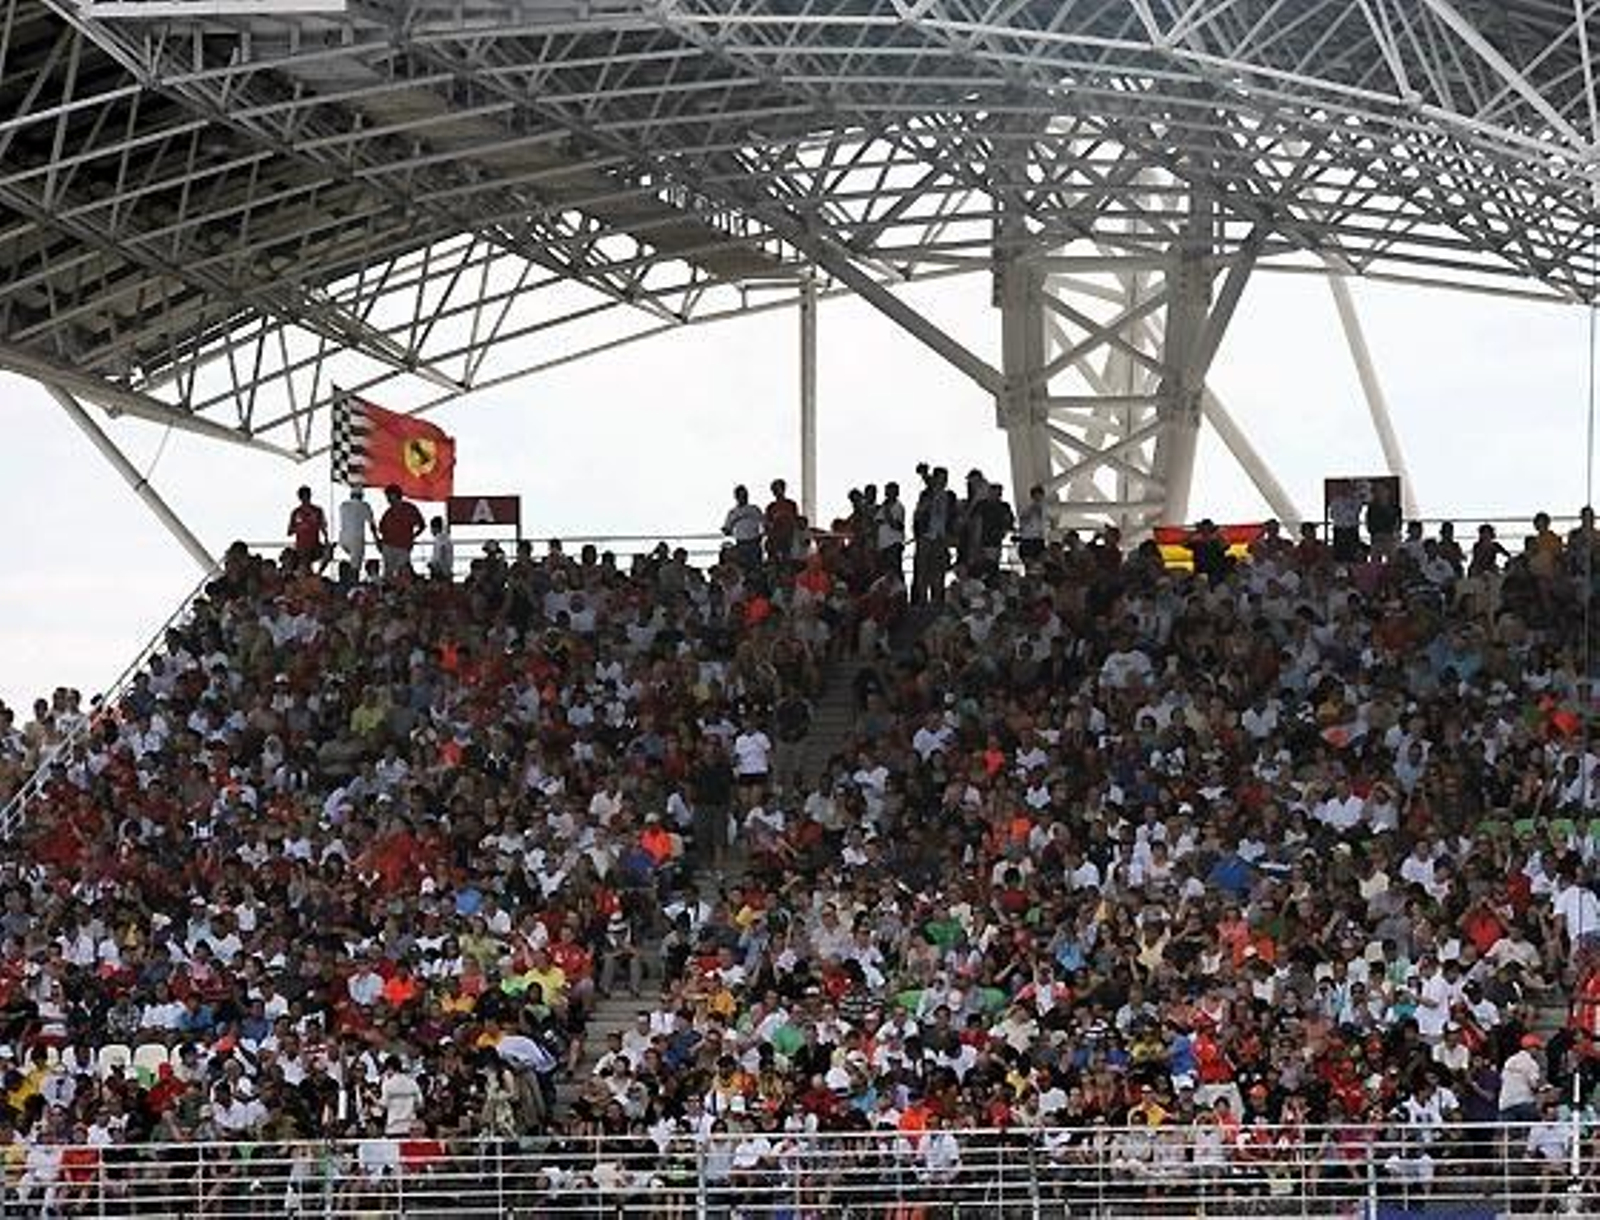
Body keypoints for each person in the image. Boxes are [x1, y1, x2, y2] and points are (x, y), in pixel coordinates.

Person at [377, 485, 425, 578]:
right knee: (388, 575)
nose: (387, 499)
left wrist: (412, 537)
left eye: (389, 496)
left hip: (403, 548)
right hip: (389, 547)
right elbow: (381, 530)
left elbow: (421, 525)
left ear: (395, 495)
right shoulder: (388, 513)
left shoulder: (409, 509)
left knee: (402, 574)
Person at [337, 488, 378, 581]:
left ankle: (345, 579)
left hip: (343, 539)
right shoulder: (365, 506)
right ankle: (354, 583)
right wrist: (377, 540)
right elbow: (372, 526)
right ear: (362, 496)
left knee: (350, 563)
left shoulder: (343, 506)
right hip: (356, 538)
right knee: (355, 567)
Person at [722, 486, 764, 571]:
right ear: (736, 497)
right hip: (740, 544)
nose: (742, 497)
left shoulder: (754, 509)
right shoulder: (732, 512)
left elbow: (764, 523)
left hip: (754, 542)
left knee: (756, 568)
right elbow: (727, 530)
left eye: (744, 495)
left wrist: (761, 535)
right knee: (743, 568)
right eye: (740, 495)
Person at [287, 486, 328, 569]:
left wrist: (327, 541)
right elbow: (289, 532)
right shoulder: (296, 512)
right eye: (303, 496)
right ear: (300, 498)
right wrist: (301, 527)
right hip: (301, 547)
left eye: (307, 495)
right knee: (305, 563)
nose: (305, 498)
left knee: (328, 552)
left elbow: (323, 527)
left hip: (315, 545)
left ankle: (319, 572)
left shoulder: (317, 510)